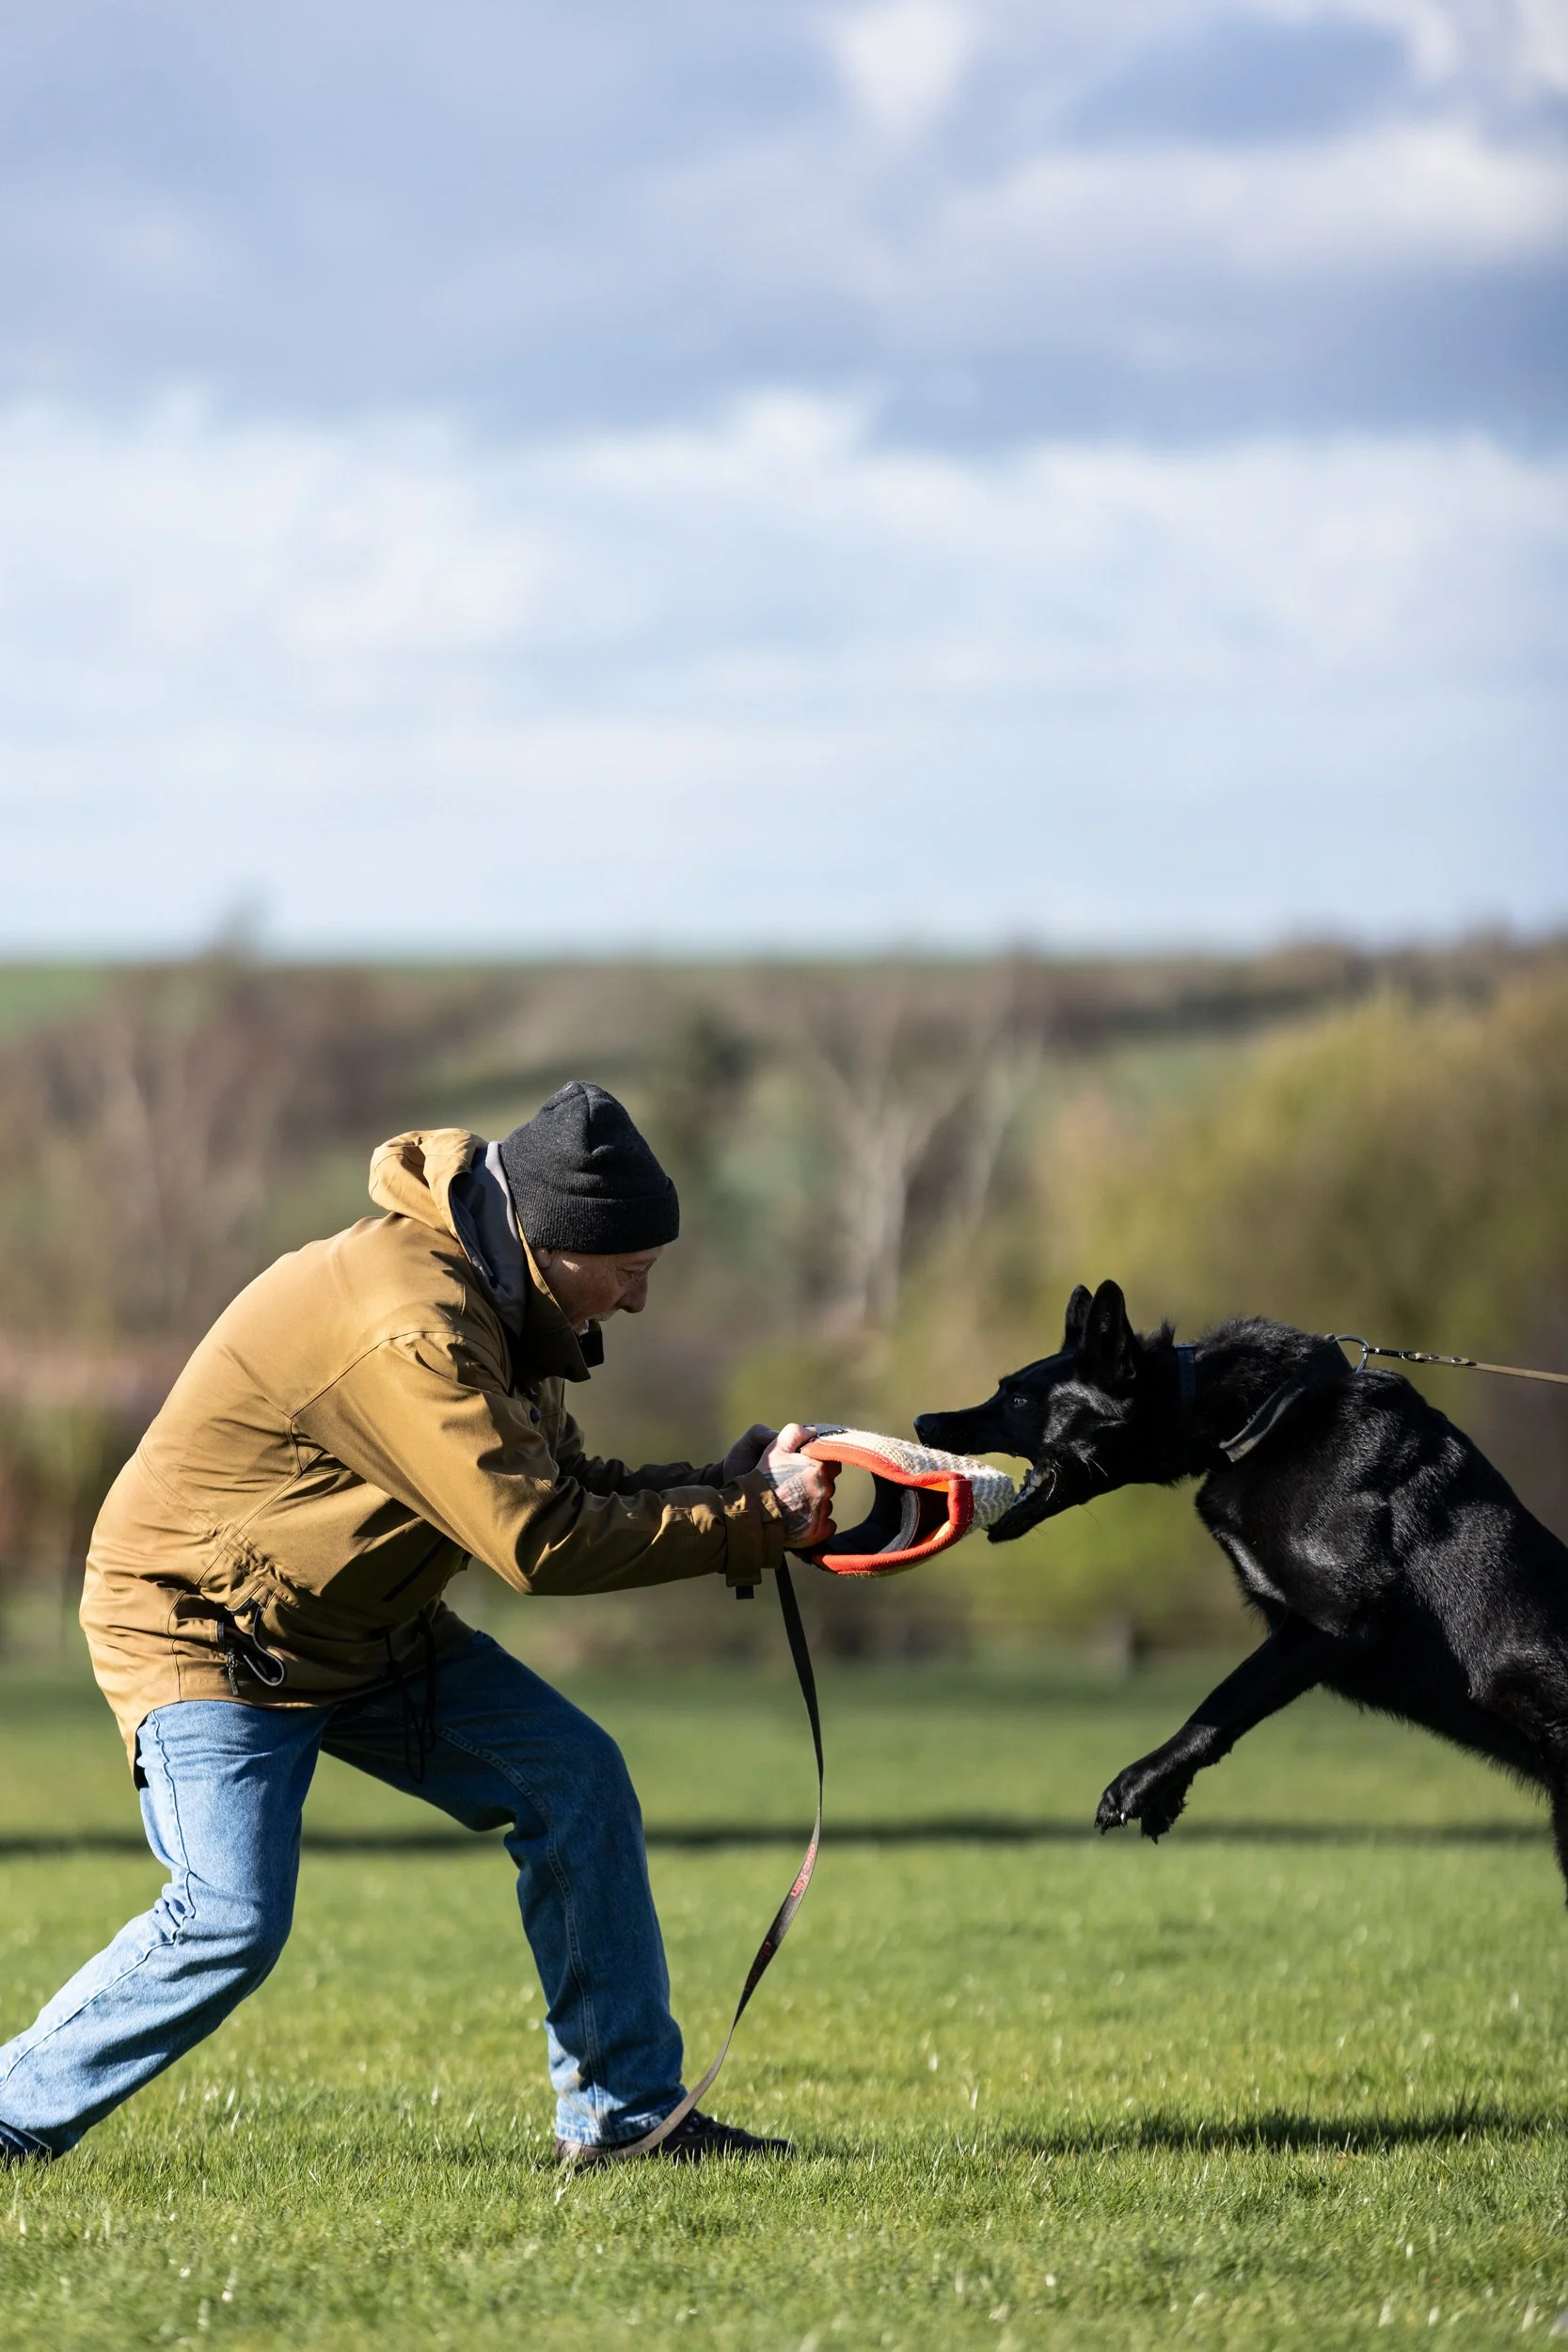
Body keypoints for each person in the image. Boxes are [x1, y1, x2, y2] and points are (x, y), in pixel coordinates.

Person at [0, 1083, 835, 2168]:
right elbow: (536, 1538)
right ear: (558, 1241)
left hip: (367, 1629)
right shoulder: (417, 1323)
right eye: (630, 1270)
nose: (636, 1301)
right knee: (228, 1919)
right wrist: (751, 1522)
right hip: (208, 1630)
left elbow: (561, 1476)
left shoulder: (501, 1291)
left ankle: (627, 2122)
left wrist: (723, 1488)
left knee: (573, 1777)